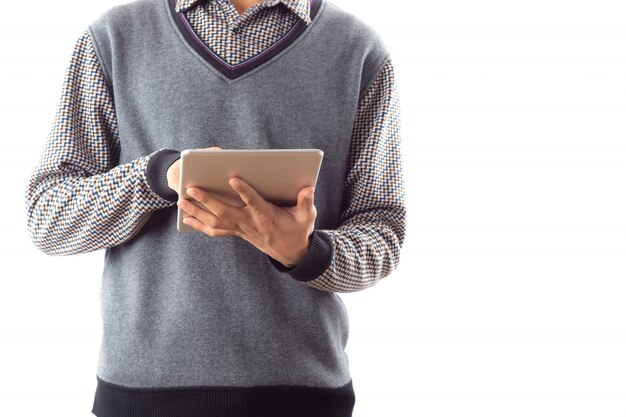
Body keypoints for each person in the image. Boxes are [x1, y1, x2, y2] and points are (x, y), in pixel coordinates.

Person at [24, 0, 407, 415]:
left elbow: (382, 233)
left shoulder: (357, 49)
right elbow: (49, 217)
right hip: (140, 397)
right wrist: (157, 177)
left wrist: (306, 252)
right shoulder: (114, 37)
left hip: (303, 396)